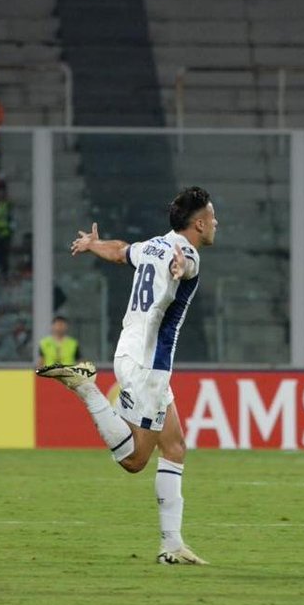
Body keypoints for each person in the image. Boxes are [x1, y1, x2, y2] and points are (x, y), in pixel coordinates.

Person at [37, 187, 218, 565]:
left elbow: (121, 251)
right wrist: (180, 268)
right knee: (135, 460)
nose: (216, 223)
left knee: (175, 448)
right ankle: (86, 388)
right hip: (149, 364)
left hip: (131, 351)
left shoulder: (152, 245)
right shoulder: (188, 253)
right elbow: (186, 262)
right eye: (212, 217)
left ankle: (172, 546)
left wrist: (93, 244)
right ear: (199, 223)